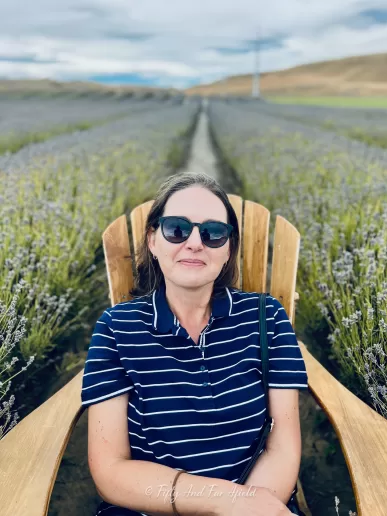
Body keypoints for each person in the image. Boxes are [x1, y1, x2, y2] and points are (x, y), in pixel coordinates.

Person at [81, 172, 309, 516]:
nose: (194, 242)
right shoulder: (117, 328)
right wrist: (223, 501)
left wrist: (247, 506)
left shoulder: (267, 318)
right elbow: (111, 470)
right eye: (177, 229)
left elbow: (282, 446)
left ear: (228, 248)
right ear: (153, 241)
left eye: (214, 232)